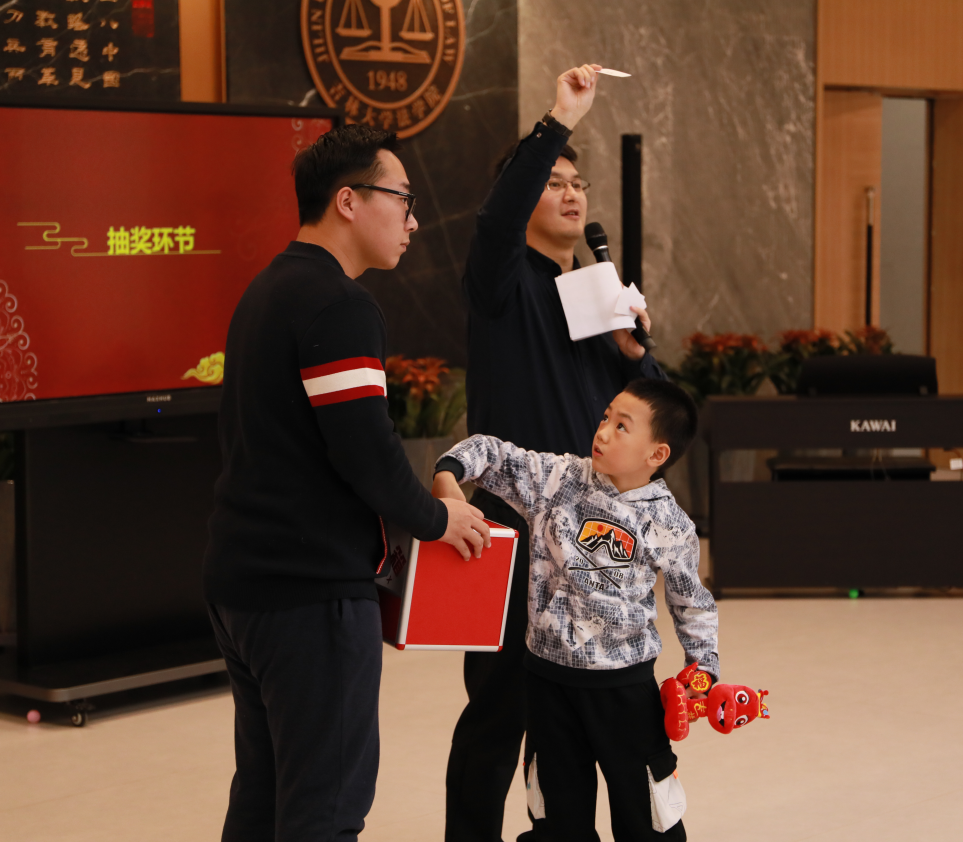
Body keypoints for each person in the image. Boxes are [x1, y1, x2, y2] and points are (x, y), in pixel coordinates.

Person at [203, 125, 492, 842]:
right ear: (348, 201)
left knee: (264, 795)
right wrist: (437, 518)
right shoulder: (338, 304)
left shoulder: (269, 288)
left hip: (244, 582)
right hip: (310, 592)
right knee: (324, 810)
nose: (414, 221)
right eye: (403, 199)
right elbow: (365, 449)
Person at [443, 63, 668, 842]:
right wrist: (558, 121)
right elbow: (495, 221)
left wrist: (634, 352)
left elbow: (652, 421)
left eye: (579, 184)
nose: (572, 194)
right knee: (498, 709)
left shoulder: (592, 297)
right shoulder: (500, 285)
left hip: (593, 543)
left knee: (576, 716)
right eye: (552, 182)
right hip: (513, 536)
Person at [433, 378, 718, 841]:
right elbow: (489, 450)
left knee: (647, 813)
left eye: (622, 426)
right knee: (556, 815)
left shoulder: (670, 523)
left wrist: (703, 669)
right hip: (546, 684)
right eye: (606, 417)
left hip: (624, 690)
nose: (602, 431)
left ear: (657, 454)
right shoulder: (558, 479)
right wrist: (448, 476)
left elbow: (693, 605)